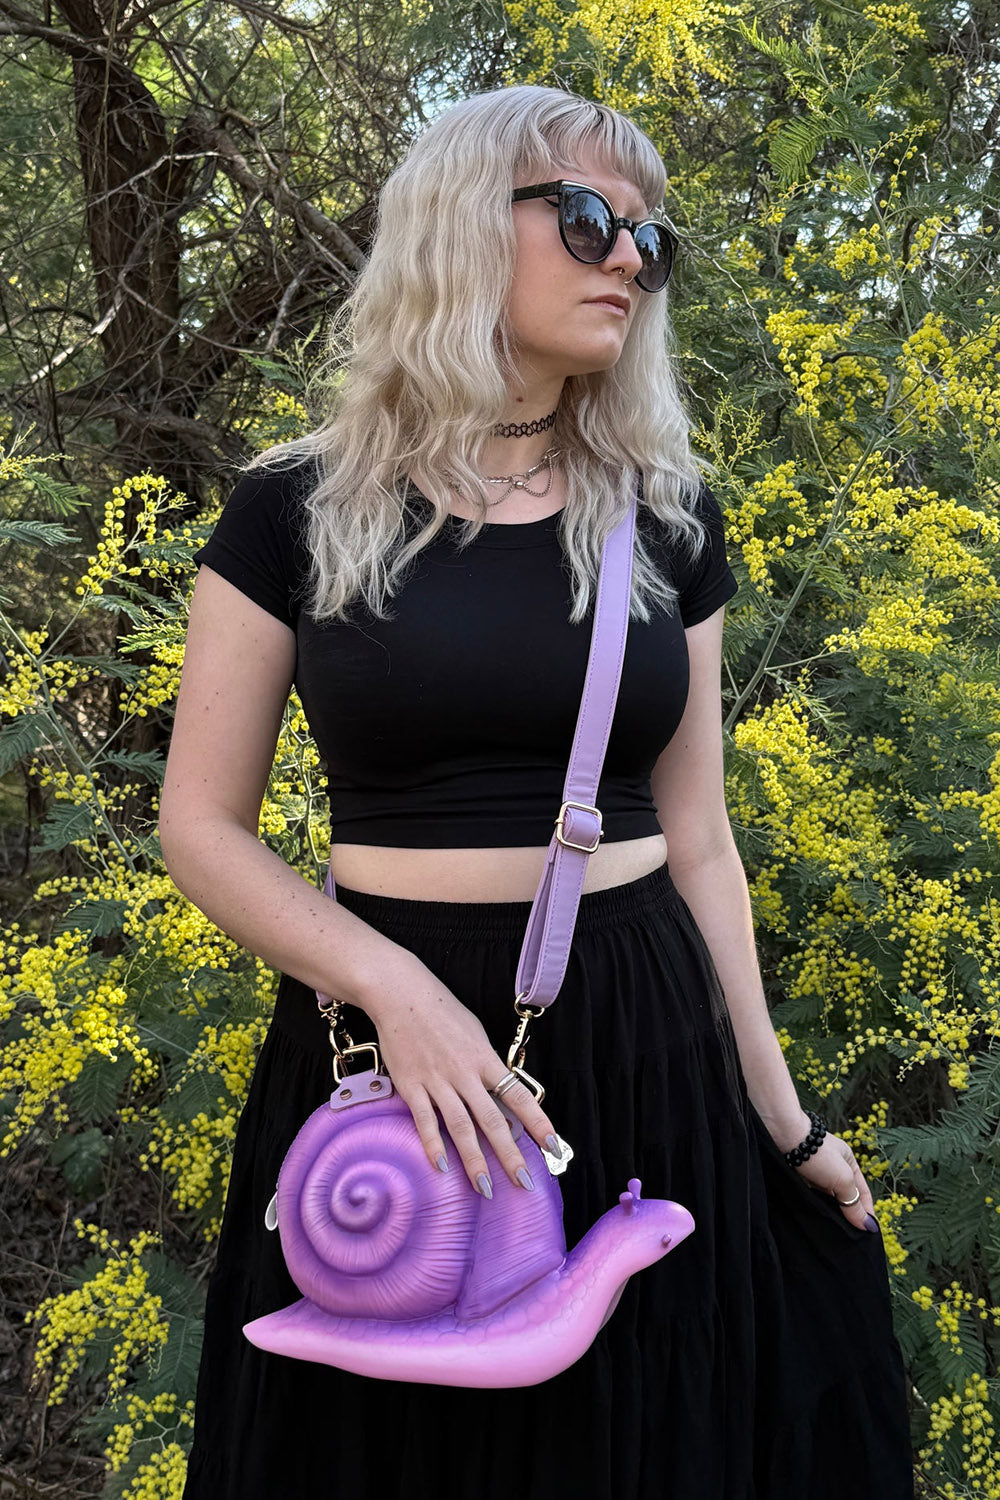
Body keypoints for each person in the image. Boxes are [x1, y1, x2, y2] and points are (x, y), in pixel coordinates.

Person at [161, 83, 914, 1500]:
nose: (629, 257)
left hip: (638, 1037)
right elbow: (199, 825)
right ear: (460, 228)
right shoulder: (295, 510)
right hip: (378, 1055)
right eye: (586, 220)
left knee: (639, 1444)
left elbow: (700, 844)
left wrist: (782, 1116)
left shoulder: (669, 517)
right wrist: (397, 993)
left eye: (648, 238)